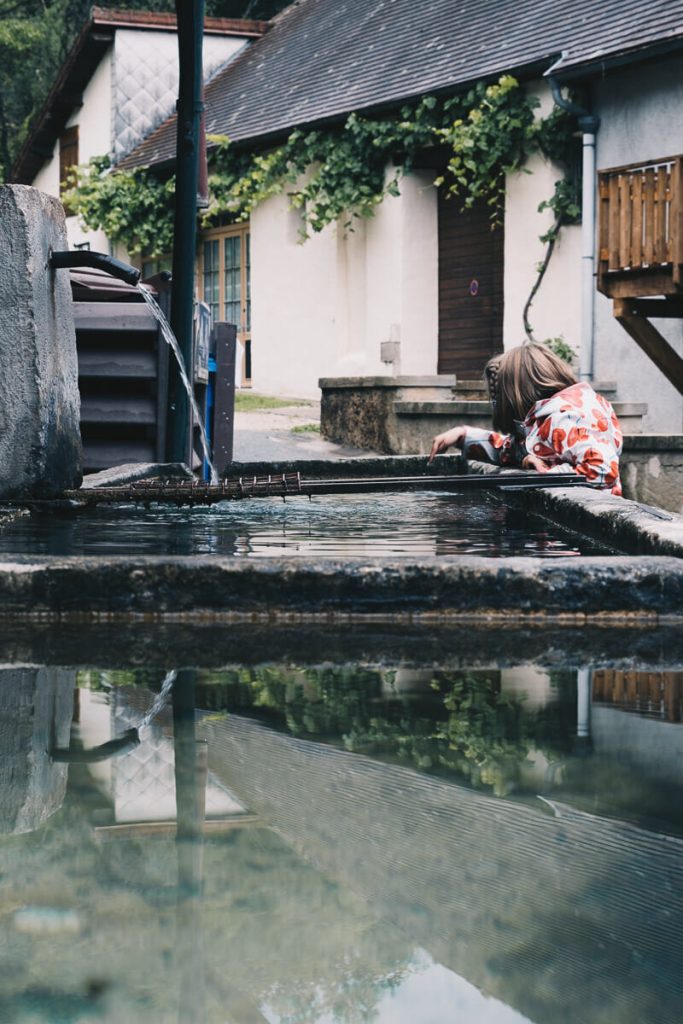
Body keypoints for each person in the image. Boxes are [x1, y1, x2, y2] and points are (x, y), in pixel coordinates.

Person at [428, 343, 623, 495]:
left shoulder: (563, 419)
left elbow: (602, 470)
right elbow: (513, 450)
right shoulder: (549, 417)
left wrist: (543, 474)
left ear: (515, 396)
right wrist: (464, 436)